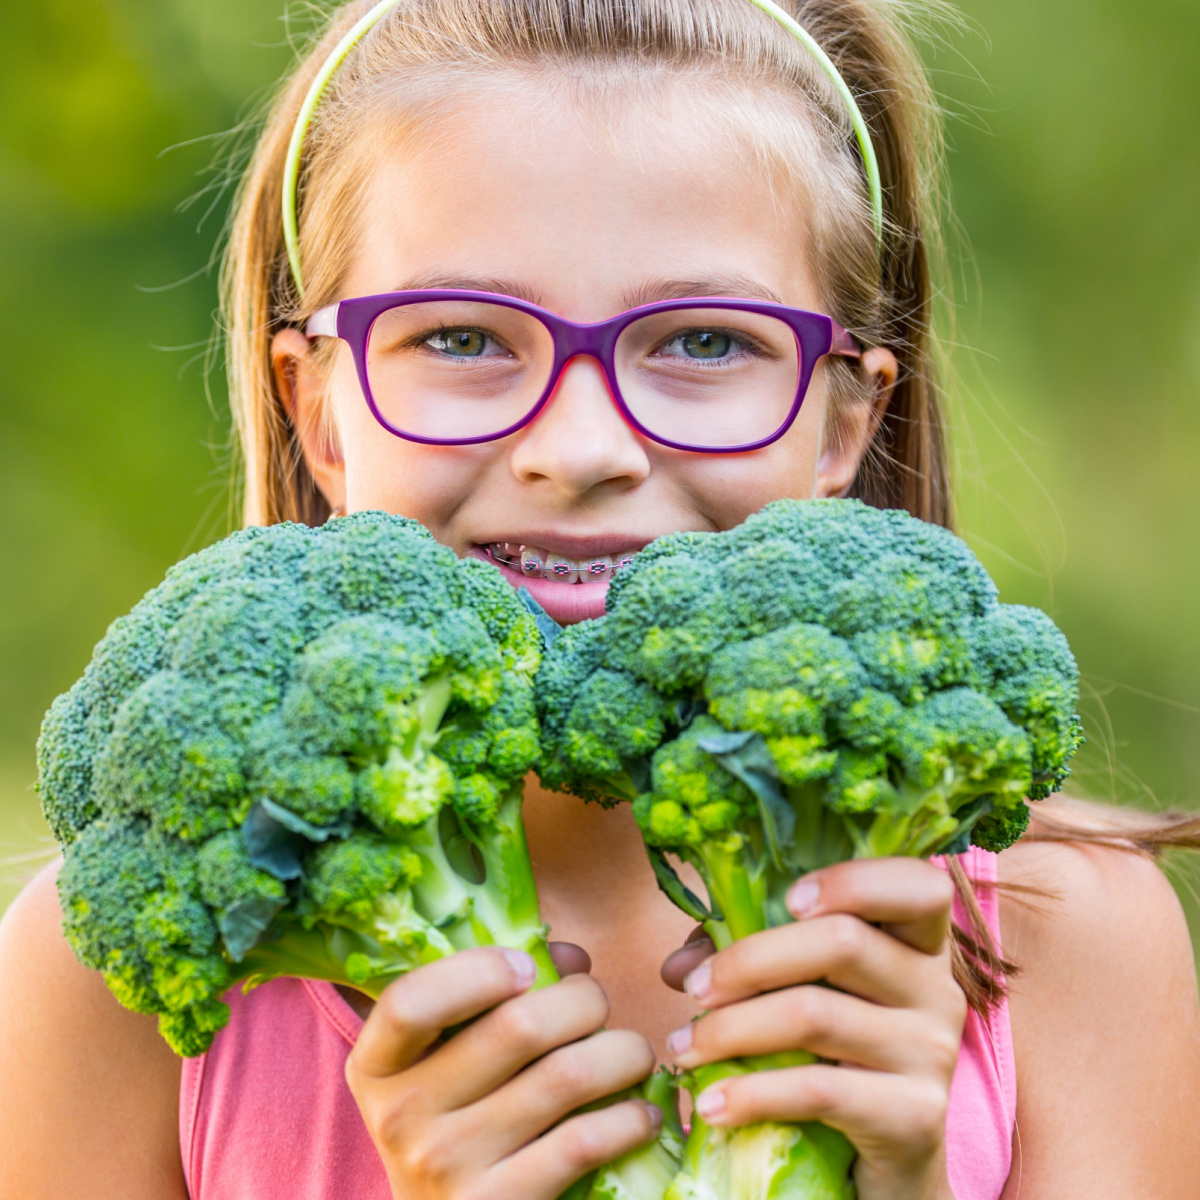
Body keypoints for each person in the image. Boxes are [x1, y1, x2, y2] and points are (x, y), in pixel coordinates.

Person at [2, 1, 1199, 1197]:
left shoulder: (1068, 936)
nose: (580, 447)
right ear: (317, 410)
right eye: (464, 338)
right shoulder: (120, 981)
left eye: (707, 342)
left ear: (846, 419)